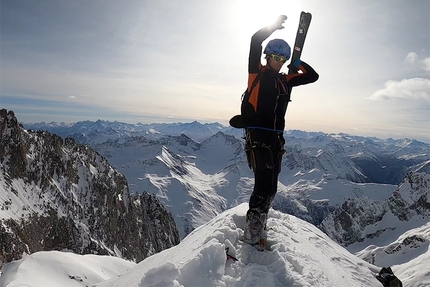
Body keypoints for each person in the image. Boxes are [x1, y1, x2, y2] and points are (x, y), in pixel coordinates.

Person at [239, 15, 319, 247]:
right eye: (276, 56)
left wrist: (298, 62)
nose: (280, 61)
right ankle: (252, 231)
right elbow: (255, 40)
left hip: (276, 138)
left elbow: (313, 76)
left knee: (272, 186)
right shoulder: (257, 73)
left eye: (283, 58)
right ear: (267, 57)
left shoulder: (286, 80)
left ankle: (260, 221)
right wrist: (272, 27)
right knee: (262, 180)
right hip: (257, 134)